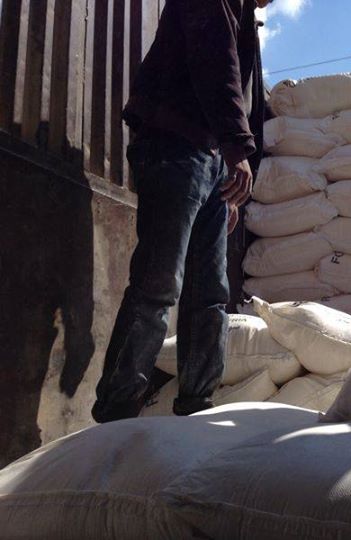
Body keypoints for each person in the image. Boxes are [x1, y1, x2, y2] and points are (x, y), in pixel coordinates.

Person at [92, 0, 273, 423]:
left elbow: (240, 92)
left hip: (207, 157)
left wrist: (224, 172)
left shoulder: (246, 13)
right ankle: (115, 414)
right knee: (159, 282)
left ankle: (197, 409)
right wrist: (236, 147)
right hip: (173, 144)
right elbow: (213, 53)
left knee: (210, 294)